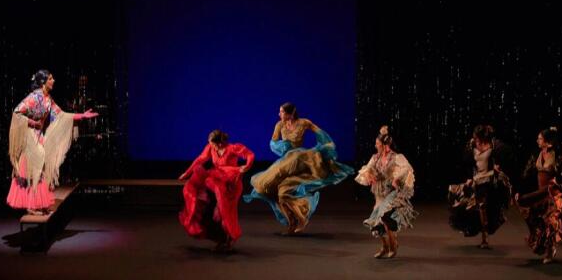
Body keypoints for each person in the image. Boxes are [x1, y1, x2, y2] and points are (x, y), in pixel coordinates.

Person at [244, 102, 354, 234]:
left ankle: (301, 220)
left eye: (282, 112)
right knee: (282, 192)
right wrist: (282, 146)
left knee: (276, 176)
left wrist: (327, 148)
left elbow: (320, 133)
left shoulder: (303, 123)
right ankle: (293, 223)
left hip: (299, 158)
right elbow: (273, 142)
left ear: (290, 114)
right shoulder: (279, 125)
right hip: (287, 159)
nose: (279, 114)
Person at [7, 70, 98, 215]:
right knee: (33, 169)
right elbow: (17, 113)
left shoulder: (48, 99)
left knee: (40, 170)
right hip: (29, 137)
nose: (54, 80)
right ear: (43, 82)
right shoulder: (33, 97)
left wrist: (82, 116)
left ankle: (37, 203)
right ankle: (31, 205)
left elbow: (61, 116)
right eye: (50, 78)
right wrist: (32, 122)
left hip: (39, 137)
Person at [178, 129, 254, 252]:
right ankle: (221, 239)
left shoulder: (232, 148)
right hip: (216, 183)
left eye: (212, 143)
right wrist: (187, 173)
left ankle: (228, 239)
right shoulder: (211, 148)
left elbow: (250, 155)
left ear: (219, 143)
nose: (210, 146)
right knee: (210, 210)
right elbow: (200, 159)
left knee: (226, 213)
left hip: (230, 186)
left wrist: (246, 167)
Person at [515, 127, 562, 264]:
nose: (537, 140)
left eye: (540, 139)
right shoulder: (536, 154)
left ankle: (550, 251)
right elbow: (527, 174)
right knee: (534, 216)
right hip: (540, 192)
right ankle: (541, 244)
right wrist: (519, 190)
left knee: (550, 222)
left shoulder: (558, 156)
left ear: (548, 143)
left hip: (552, 193)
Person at [448, 124, 512, 249]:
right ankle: (481, 232)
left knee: (483, 207)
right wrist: (469, 178)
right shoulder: (472, 144)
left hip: (488, 178)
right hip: (476, 178)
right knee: (466, 202)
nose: (474, 138)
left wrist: (497, 166)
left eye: (477, 136)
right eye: (474, 136)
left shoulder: (493, 145)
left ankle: (485, 238)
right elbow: (467, 163)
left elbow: (504, 155)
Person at [355, 126, 415, 258]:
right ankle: (385, 247)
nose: (375, 146)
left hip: (391, 192)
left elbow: (407, 168)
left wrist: (397, 178)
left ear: (384, 145)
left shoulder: (395, 157)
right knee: (376, 221)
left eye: (377, 144)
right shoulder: (375, 158)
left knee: (385, 218)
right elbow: (367, 169)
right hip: (379, 193)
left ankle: (393, 246)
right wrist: (369, 175)